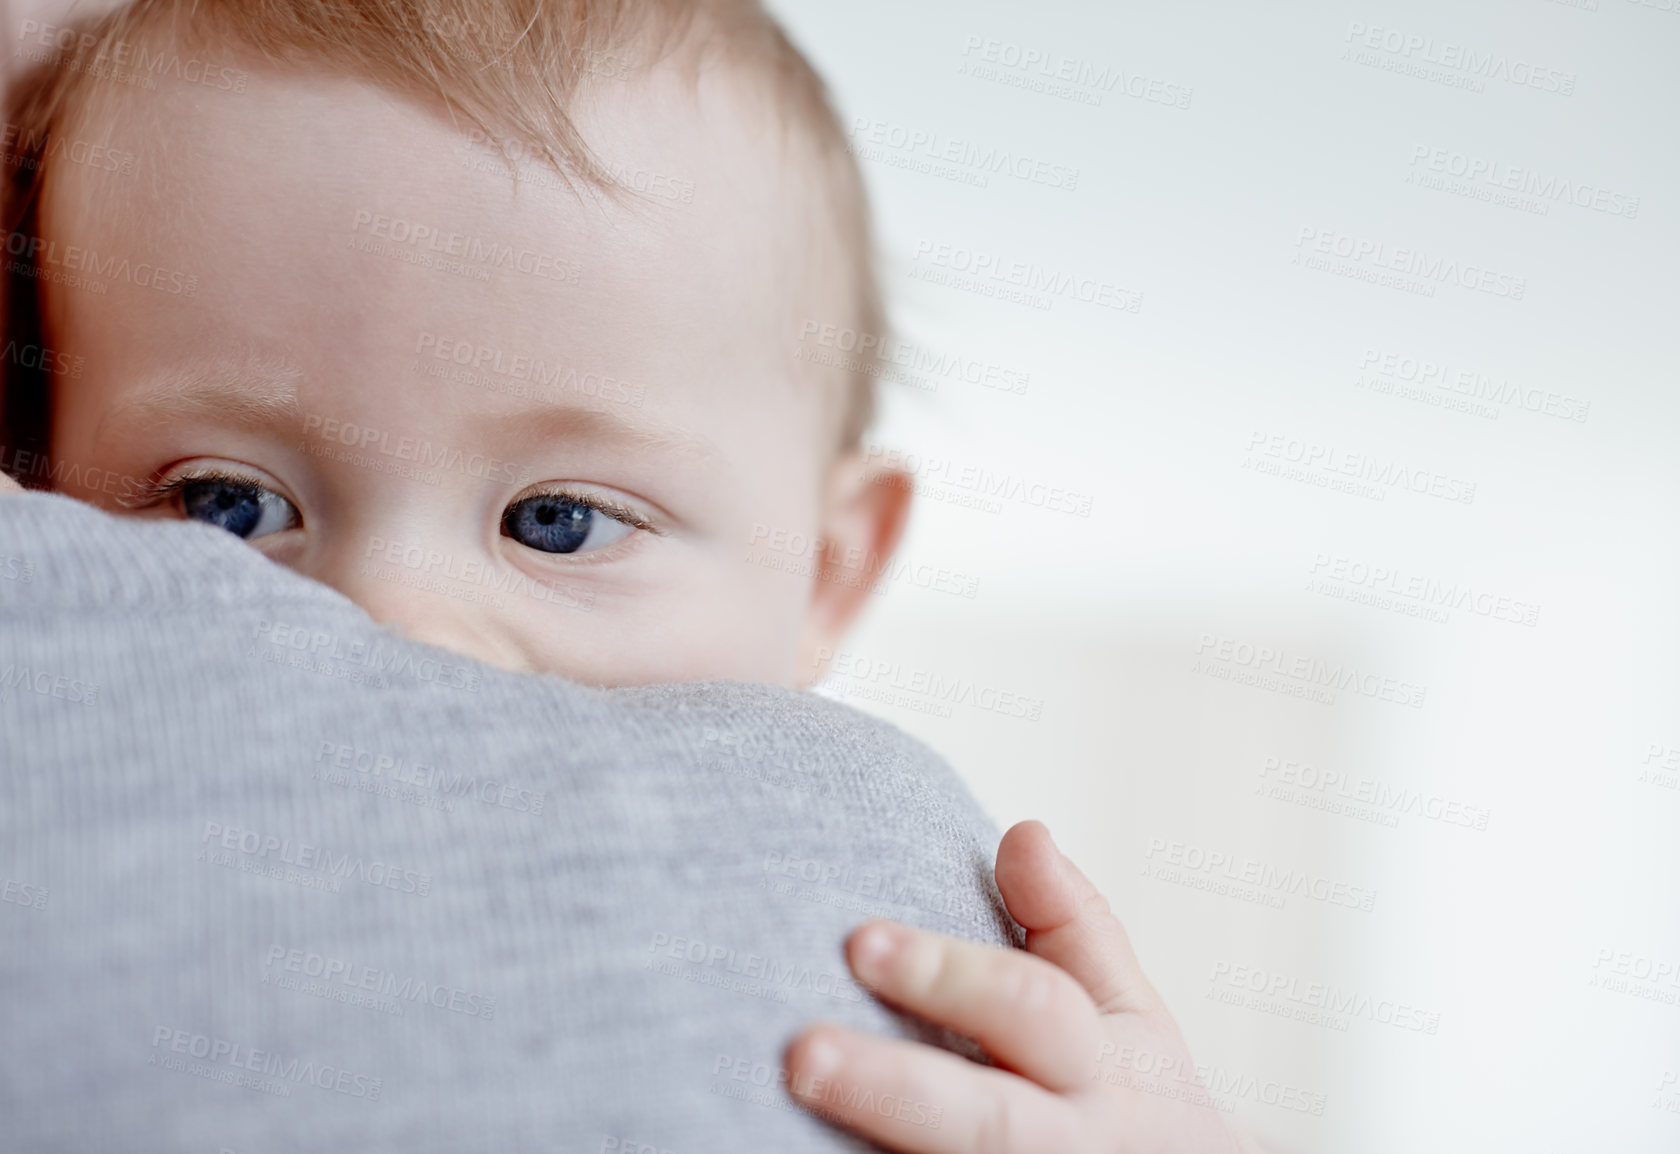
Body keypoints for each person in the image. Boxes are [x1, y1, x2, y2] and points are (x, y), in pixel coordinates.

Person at [0, 2, 1263, 1149]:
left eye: (555, 521)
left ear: (828, 568)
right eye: (232, 504)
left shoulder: (956, 974)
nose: (391, 621)